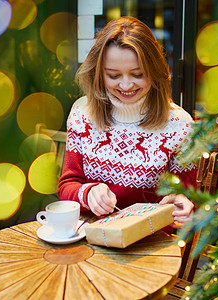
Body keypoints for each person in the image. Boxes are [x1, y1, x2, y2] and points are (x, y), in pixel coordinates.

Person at [57, 16, 196, 228]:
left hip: (151, 244)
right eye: (113, 75)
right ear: (98, 73)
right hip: (90, 238)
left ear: (154, 71)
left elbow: (188, 197)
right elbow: (67, 187)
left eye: (137, 74)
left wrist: (184, 205)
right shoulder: (81, 114)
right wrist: (88, 193)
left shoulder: (179, 125)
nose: (126, 84)